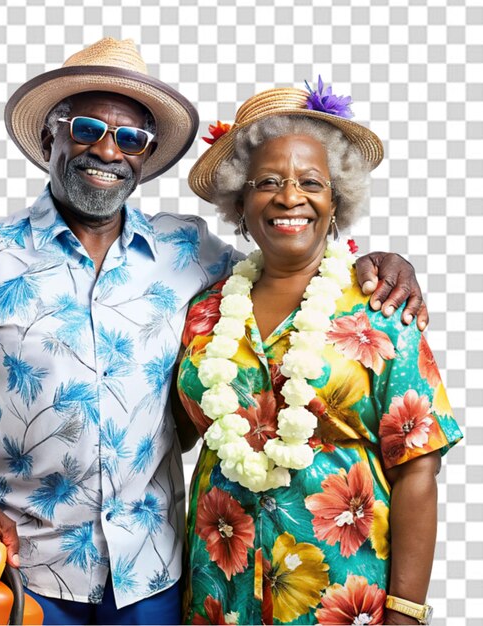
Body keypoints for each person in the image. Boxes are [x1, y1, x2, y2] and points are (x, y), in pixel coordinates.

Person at [0, 39, 427, 625]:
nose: (106, 150)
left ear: (144, 157)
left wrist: (376, 260)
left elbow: (288, 254)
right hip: (25, 570)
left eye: (128, 138)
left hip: (155, 573)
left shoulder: (192, 255)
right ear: (49, 138)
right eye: (87, 127)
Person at [177, 81, 463, 625]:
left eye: (311, 182)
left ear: (336, 202)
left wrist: (406, 613)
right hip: (220, 594)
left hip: (342, 597)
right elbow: (178, 431)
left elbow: (418, 470)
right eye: (267, 182)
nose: (290, 197)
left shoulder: (382, 310)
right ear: (240, 201)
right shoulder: (204, 314)